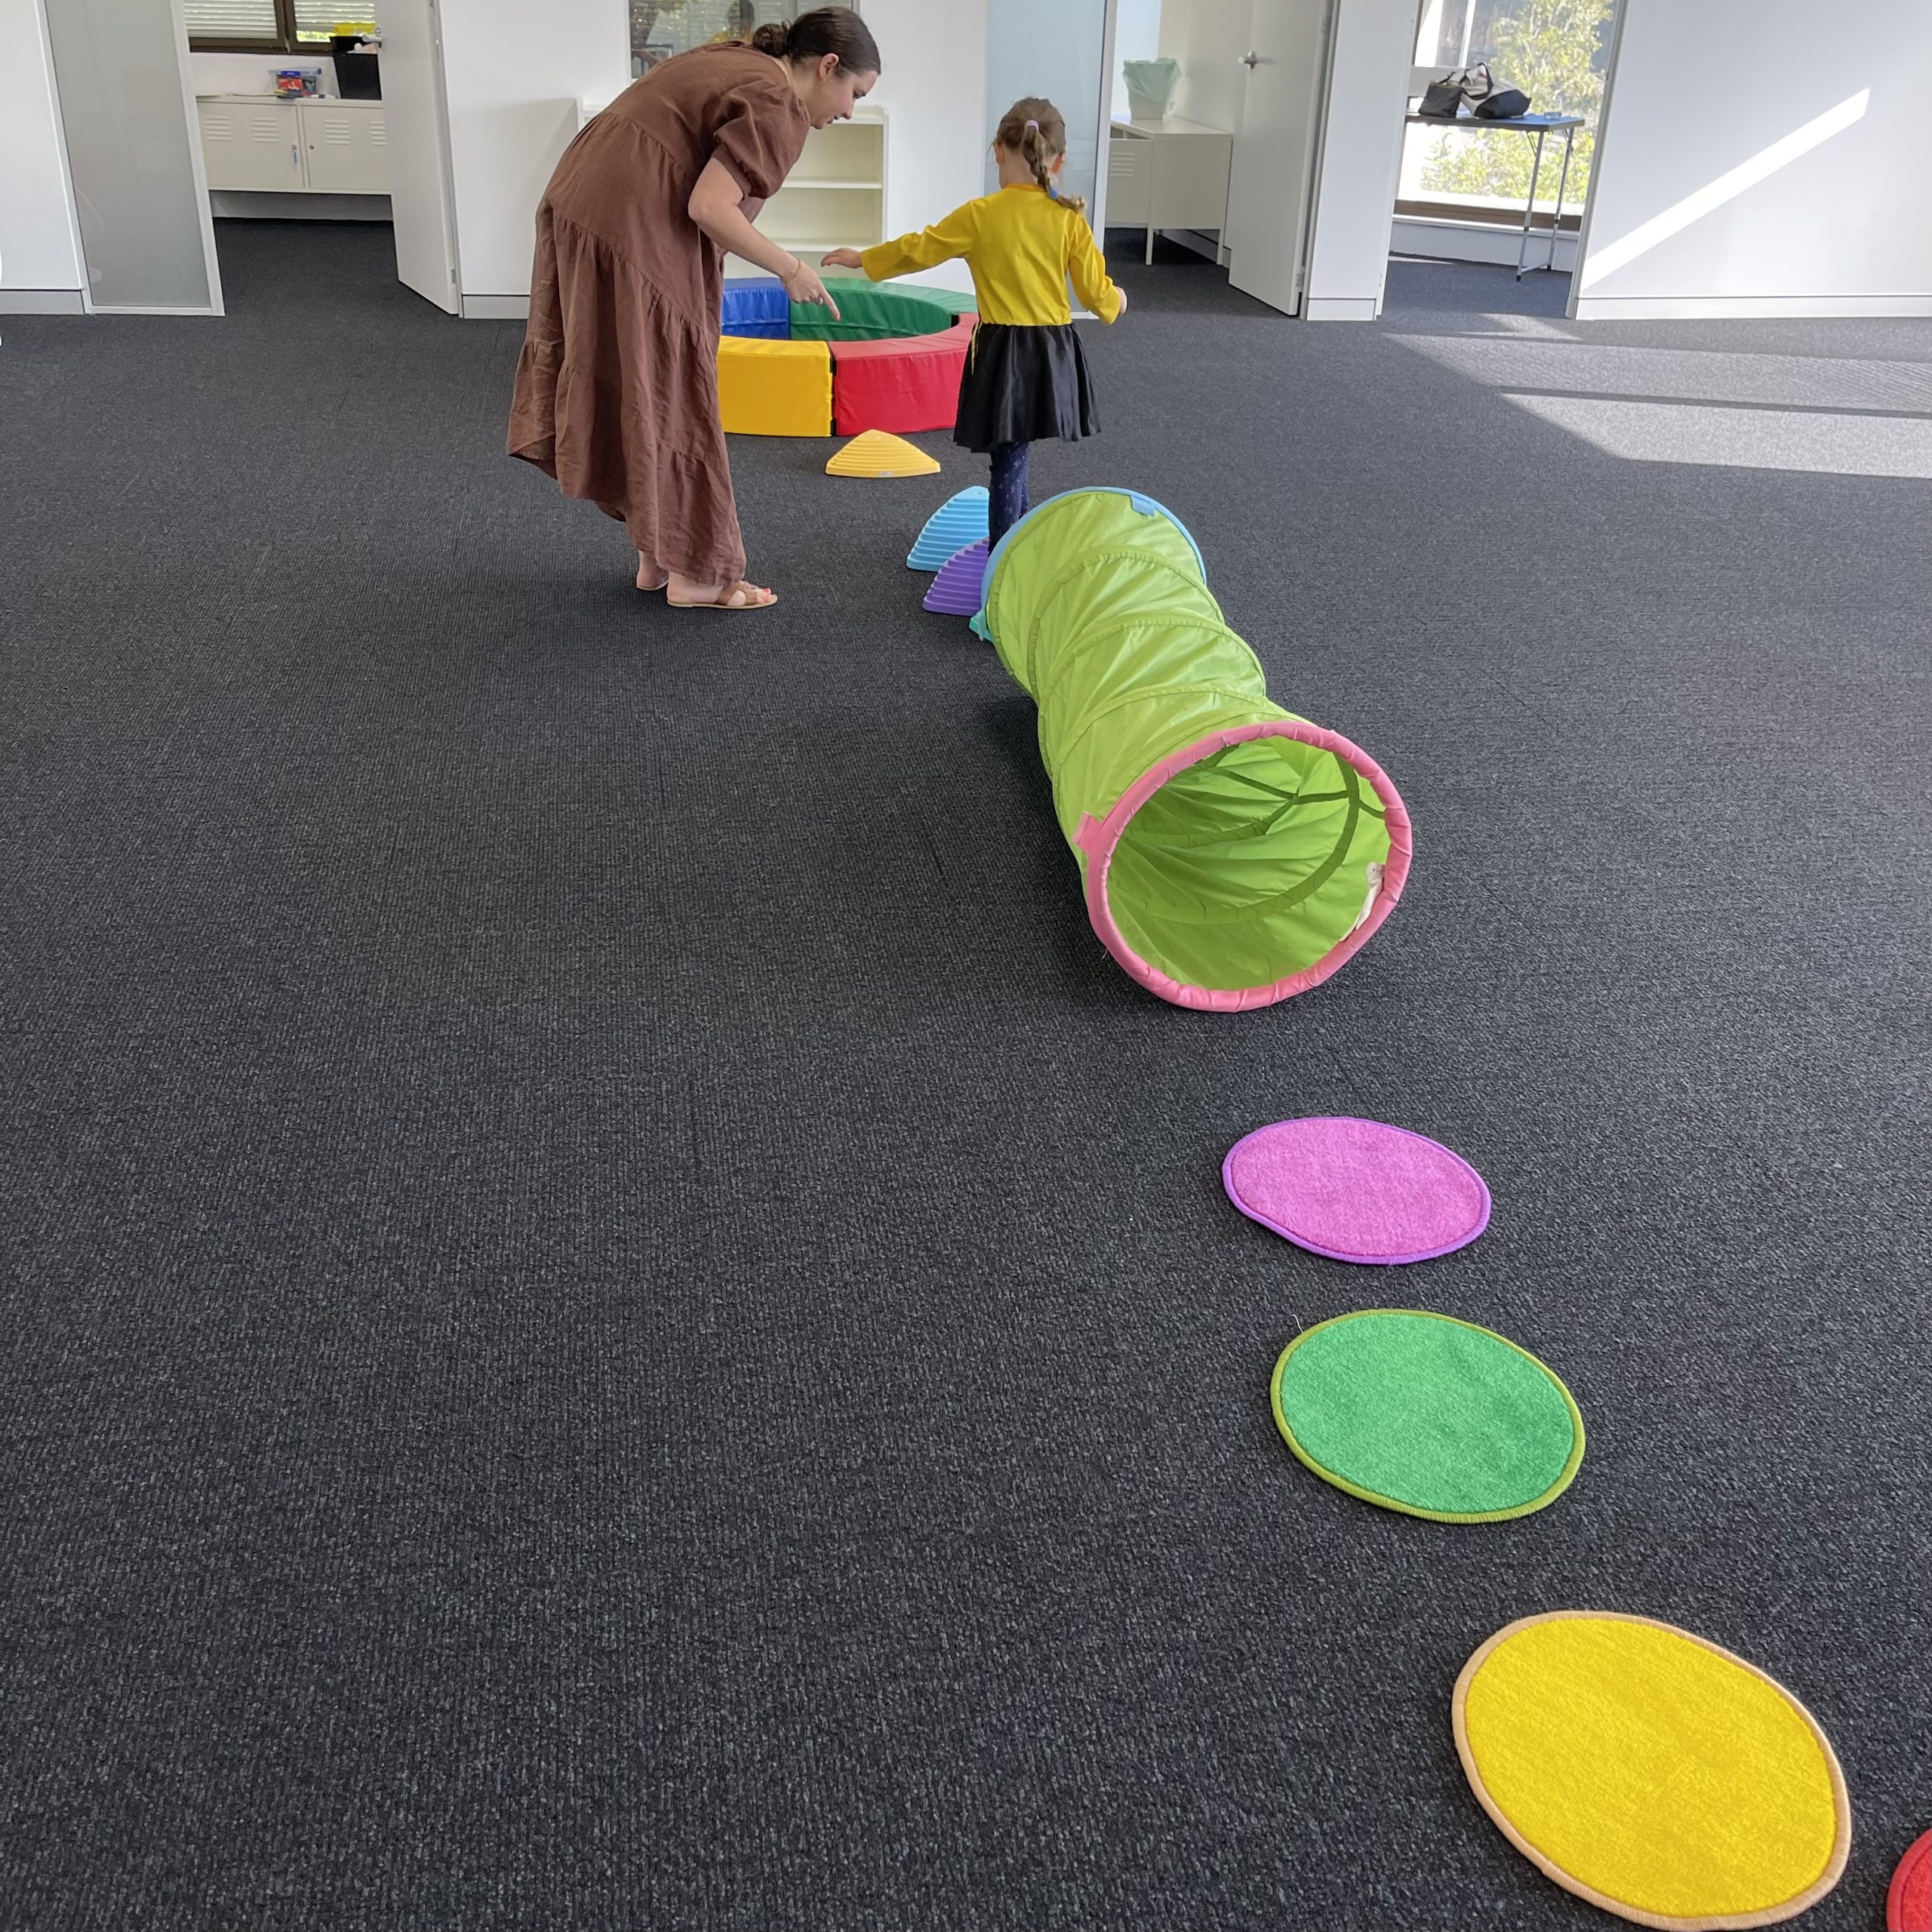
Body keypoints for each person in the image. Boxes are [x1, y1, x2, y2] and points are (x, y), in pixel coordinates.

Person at [509, 8, 879, 612]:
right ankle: (698, 575)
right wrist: (790, 268)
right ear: (828, 66)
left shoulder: (738, 59)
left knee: (644, 375)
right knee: (676, 381)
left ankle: (657, 556)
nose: (849, 111)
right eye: (853, 93)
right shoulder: (777, 99)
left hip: (583, 198)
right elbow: (711, 206)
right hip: (628, 215)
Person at [824, 98, 1125, 550]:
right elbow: (1097, 297)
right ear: (1059, 162)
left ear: (998, 152)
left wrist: (864, 259)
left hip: (1003, 351)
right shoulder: (1068, 219)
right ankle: (1013, 549)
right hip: (1051, 351)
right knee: (1014, 453)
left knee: (1009, 456)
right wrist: (1118, 299)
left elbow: (919, 249)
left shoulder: (980, 215)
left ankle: (1004, 560)